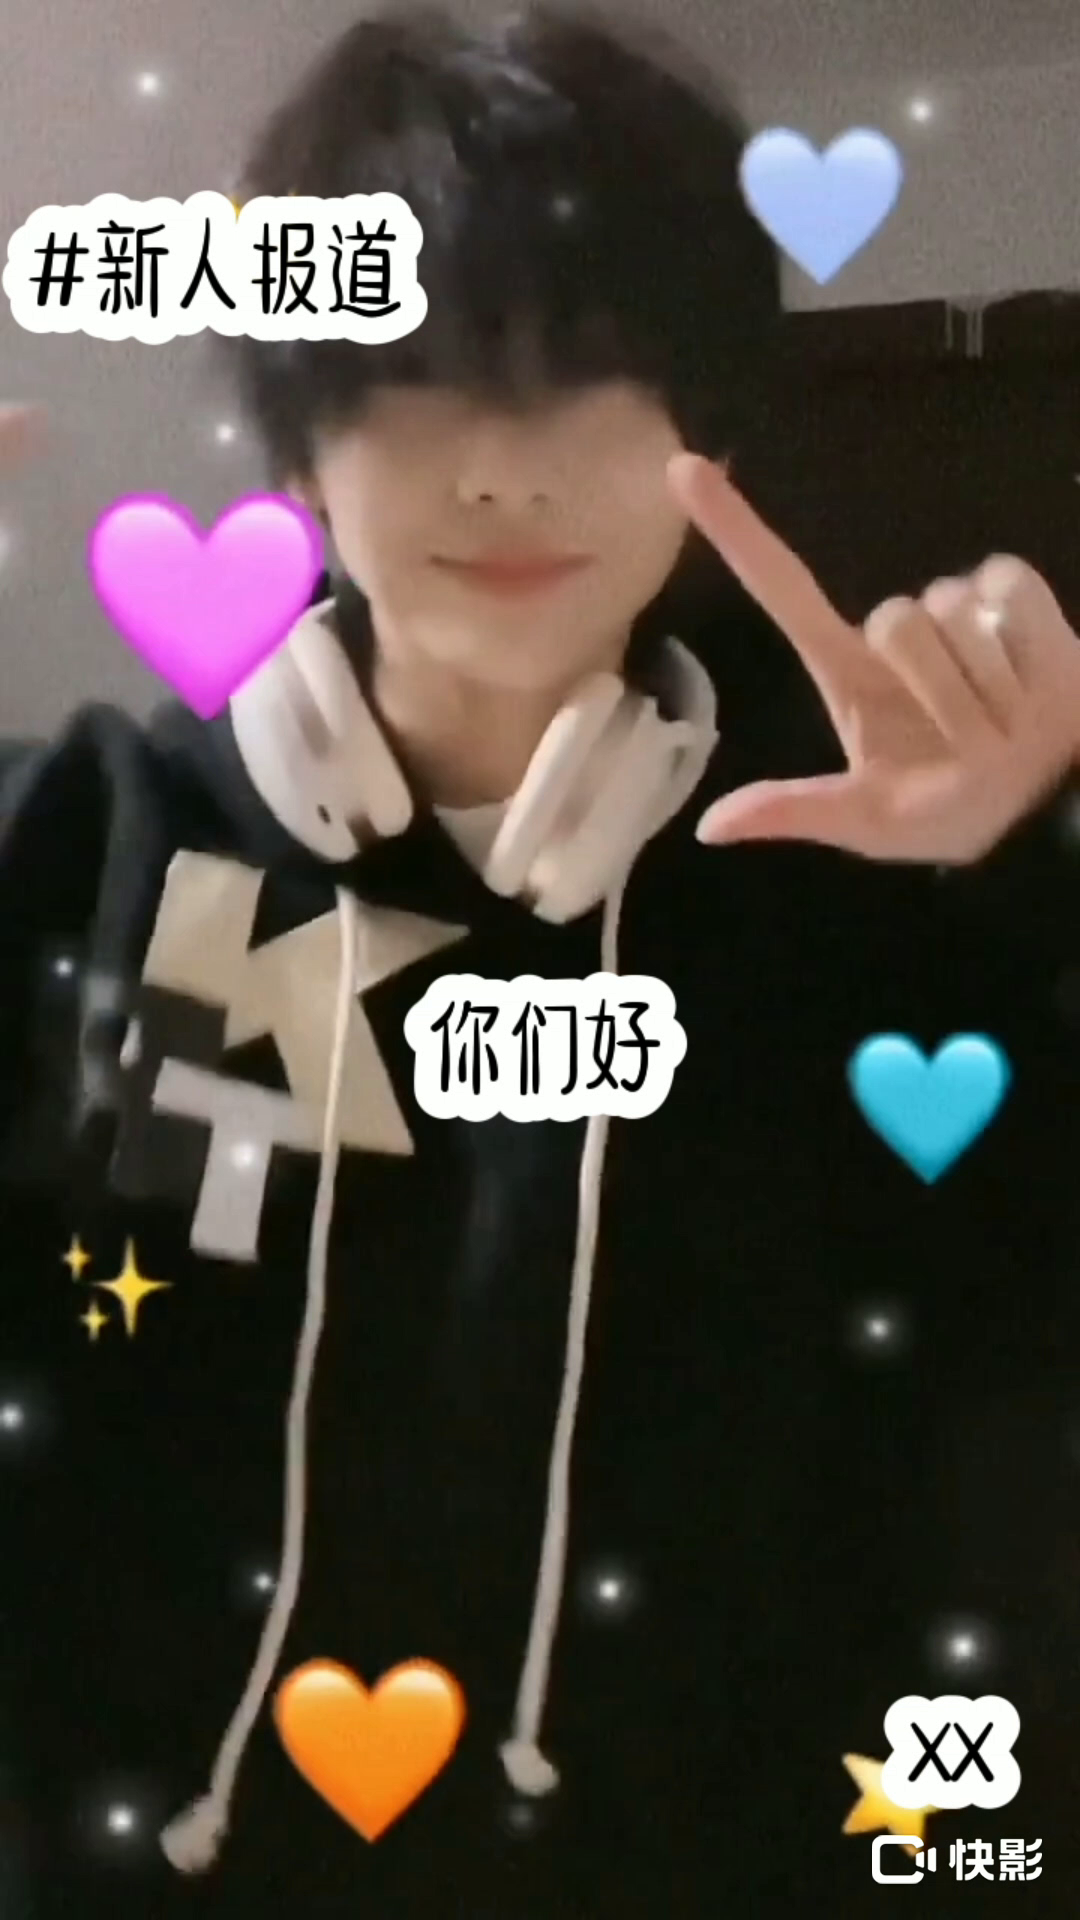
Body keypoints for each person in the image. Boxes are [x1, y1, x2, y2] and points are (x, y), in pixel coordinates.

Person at [3, 5, 1080, 1916]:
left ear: (709, 431)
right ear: (297, 447)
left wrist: (1030, 869)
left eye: (592, 377)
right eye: (418, 380)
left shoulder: (851, 908)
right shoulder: (76, 853)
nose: (508, 470)